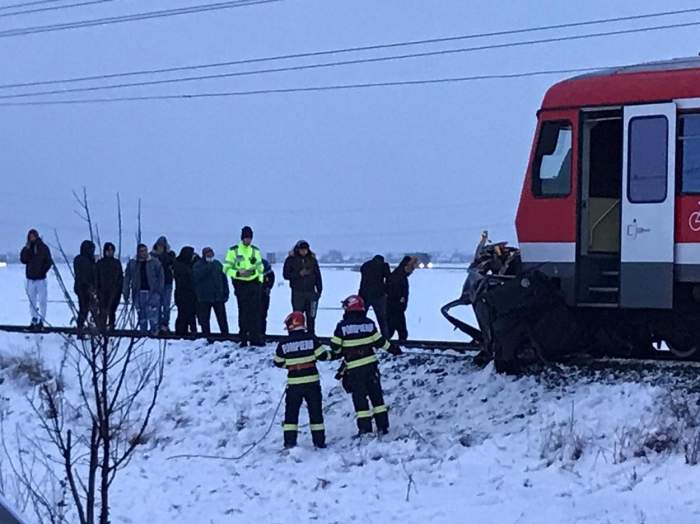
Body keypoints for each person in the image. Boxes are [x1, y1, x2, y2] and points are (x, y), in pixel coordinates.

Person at [330, 295, 401, 436]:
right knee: (377, 398)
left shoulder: (342, 326)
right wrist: (395, 350)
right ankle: (383, 426)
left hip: (354, 370)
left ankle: (365, 428)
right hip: (371, 367)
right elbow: (381, 342)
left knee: (360, 399)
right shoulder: (369, 323)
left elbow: (335, 347)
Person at [274, 311, 331, 449]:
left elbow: (278, 362)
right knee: (315, 412)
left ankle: (289, 442)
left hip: (294, 384)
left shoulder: (284, 343)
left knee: (291, 415)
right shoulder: (311, 339)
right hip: (312, 383)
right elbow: (324, 356)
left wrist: (291, 364)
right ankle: (319, 442)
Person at [223, 226, 264, 347]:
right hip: (241, 286)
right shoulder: (233, 251)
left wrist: (259, 281)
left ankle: (255, 338)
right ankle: (243, 338)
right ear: (242, 238)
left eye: (250, 238)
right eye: (246, 238)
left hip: (254, 284)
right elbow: (226, 268)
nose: (248, 240)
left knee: (255, 313)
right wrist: (237, 273)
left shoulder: (255, 251)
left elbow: (260, 267)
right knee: (243, 313)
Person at [122, 244, 164, 334]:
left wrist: (159, 290)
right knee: (141, 315)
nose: (143, 253)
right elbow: (127, 278)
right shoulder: (133, 263)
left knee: (153, 315)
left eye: (145, 250)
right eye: (141, 251)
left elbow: (161, 276)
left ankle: (154, 333)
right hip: (138, 292)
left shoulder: (155, 262)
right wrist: (126, 292)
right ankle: (143, 333)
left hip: (152, 292)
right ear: (138, 252)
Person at [283, 240, 323, 334]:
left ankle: (311, 335)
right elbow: (285, 275)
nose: (304, 251)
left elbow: (318, 276)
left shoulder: (312, 260)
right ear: (297, 249)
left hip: (311, 292)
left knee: (311, 317)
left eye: (305, 250)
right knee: (297, 316)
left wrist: (319, 291)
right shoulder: (290, 260)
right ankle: (297, 335)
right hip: (298, 293)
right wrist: (298, 274)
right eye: (302, 250)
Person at [20, 229, 53, 329]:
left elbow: (49, 261)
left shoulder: (43, 248)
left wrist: (43, 271)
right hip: (30, 279)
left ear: (36, 236)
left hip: (41, 280)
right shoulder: (28, 248)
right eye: (30, 237)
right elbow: (23, 260)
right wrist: (26, 249)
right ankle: (34, 320)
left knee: (43, 301)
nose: (32, 238)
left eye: (33, 236)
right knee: (32, 302)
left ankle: (42, 321)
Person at [193, 247, 230, 336]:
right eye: (208, 254)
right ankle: (206, 335)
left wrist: (226, 292)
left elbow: (224, 279)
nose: (210, 256)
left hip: (218, 297)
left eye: (211, 254)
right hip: (204, 298)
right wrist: (208, 267)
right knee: (204, 320)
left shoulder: (217, 264)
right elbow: (196, 277)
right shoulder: (198, 265)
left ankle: (225, 335)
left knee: (222, 319)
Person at [358, 255, 391, 337]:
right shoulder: (383, 266)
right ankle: (386, 338)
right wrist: (387, 291)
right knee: (382, 319)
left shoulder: (365, 265)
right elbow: (388, 278)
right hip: (378, 295)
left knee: (360, 317)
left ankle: (359, 335)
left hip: (364, 295)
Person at [386, 256, 416, 341]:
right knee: (394, 330)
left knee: (398, 331)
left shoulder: (400, 275)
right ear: (406, 266)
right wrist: (400, 300)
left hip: (396, 307)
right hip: (395, 308)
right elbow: (392, 291)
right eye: (411, 268)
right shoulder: (398, 276)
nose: (412, 271)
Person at [95, 242, 123, 330]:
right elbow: (96, 277)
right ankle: (101, 327)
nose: (110, 252)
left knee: (112, 310)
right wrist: (97, 289)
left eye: (112, 250)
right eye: (108, 250)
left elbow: (120, 277)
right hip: (102, 291)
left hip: (115, 291)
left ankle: (111, 326)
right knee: (103, 310)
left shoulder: (117, 263)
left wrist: (119, 289)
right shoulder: (100, 263)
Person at [152, 236, 176, 332]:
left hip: (167, 283)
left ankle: (165, 324)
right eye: (159, 246)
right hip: (156, 284)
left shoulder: (170, 256)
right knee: (156, 305)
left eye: (163, 246)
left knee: (166, 305)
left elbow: (174, 266)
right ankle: (157, 324)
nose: (161, 247)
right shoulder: (152, 256)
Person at [173, 246, 199, 336]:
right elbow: (189, 275)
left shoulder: (181, 263)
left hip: (188, 293)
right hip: (184, 293)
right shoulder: (180, 266)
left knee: (188, 313)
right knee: (184, 314)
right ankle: (184, 331)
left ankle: (188, 331)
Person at [73, 240, 96, 331]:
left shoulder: (78, 259)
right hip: (85, 288)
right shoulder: (85, 260)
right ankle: (81, 328)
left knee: (84, 309)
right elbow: (88, 274)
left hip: (80, 287)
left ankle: (81, 327)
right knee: (85, 309)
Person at [260, 259, 275, 339]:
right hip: (252, 295)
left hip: (264, 294)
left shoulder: (265, 264)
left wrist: (269, 287)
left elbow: (272, 277)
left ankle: (262, 333)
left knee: (263, 315)